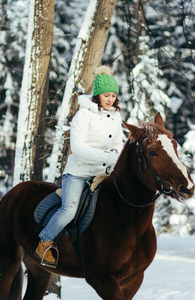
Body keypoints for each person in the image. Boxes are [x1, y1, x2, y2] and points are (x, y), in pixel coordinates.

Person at [35, 65, 124, 267]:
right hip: (78, 173)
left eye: (113, 95)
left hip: (103, 173)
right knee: (69, 210)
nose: (110, 99)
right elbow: (78, 148)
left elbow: (118, 144)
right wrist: (109, 158)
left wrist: (115, 157)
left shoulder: (116, 116)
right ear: (97, 95)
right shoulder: (83, 115)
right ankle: (45, 242)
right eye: (105, 95)